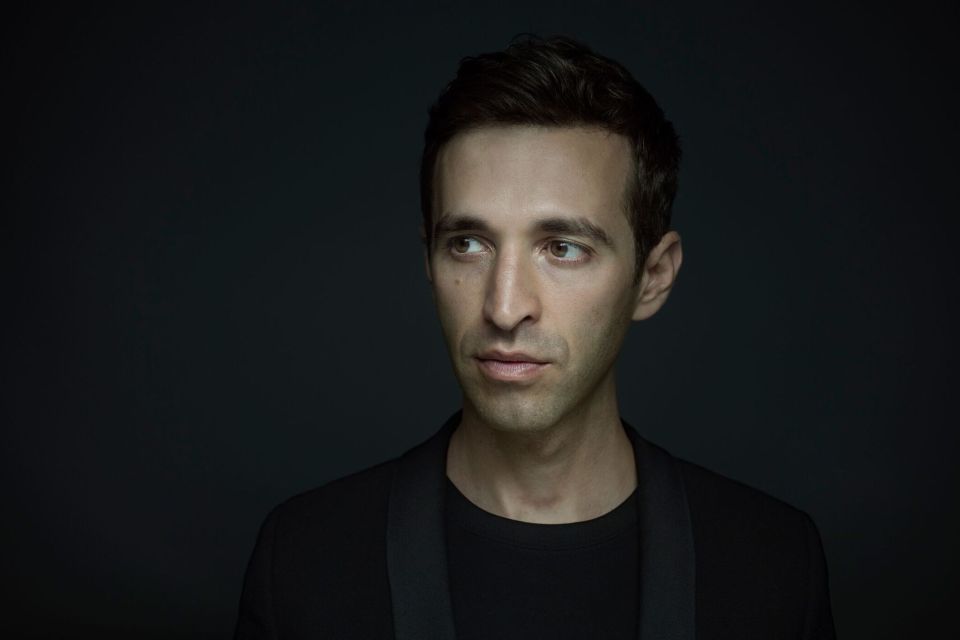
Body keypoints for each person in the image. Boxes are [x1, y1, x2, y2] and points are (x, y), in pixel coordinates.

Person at [234, 35, 836, 640]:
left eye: (563, 248)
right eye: (468, 244)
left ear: (653, 277)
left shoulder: (777, 566)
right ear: (428, 261)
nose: (504, 308)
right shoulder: (302, 562)